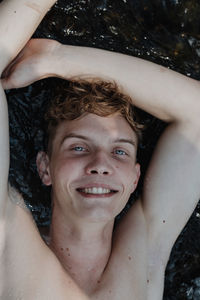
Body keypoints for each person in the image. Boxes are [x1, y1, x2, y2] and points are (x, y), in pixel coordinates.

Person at [1, 1, 200, 300]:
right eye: (78, 147)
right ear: (45, 167)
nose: (100, 165)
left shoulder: (147, 259)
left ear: (135, 178)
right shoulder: (6, 243)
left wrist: (58, 59)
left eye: (119, 152)